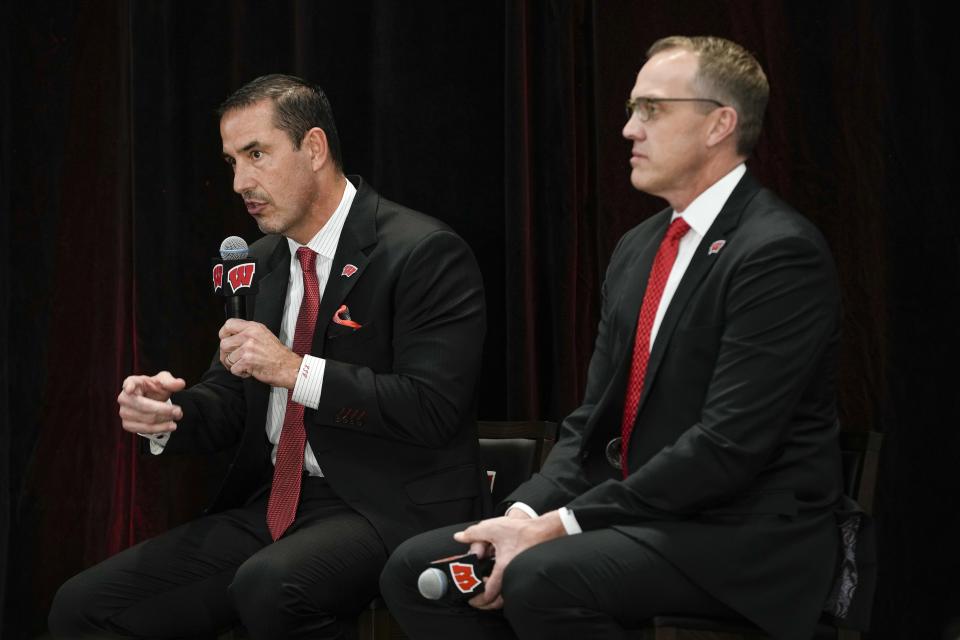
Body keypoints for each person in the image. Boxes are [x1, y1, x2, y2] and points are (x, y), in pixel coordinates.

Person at [380, 36, 869, 640]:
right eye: (632, 109)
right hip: (637, 519)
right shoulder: (639, 248)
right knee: (415, 569)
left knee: (543, 576)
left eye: (653, 110)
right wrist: (521, 515)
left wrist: (559, 525)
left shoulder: (777, 253)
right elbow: (590, 424)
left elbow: (728, 445)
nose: (629, 130)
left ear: (720, 123)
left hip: (740, 537)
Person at [48, 74, 488, 639]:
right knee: (82, 605)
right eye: (232, 161)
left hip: (389, 507)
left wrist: (293, 370)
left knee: (271, 586)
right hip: (279, 506)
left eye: (256, 154)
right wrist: (171, 413)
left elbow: (432, 407)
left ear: (313, 148)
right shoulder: (259, 263)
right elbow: (231, 398)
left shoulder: (423, 252)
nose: (239, 182)